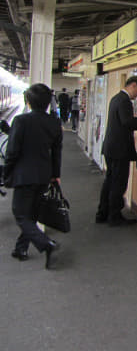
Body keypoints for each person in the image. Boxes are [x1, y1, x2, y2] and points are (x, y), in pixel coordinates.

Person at [3, 83, 63, 268]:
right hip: (44, 174)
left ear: (28, 102)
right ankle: (20, 249)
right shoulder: (54, 122)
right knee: (31, 213)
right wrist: (55, 175)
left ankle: (46, 244)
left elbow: (12, 151)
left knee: (20, 214)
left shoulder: (21, 121)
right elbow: (57, 151)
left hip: (24, 175)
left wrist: (7, 171)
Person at [96, 75, 137, 226]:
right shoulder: (124, 101)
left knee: (110, 181)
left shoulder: (115, 98)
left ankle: (102, 213)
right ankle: (114, 216)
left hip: (110, 147)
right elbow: (127, 121)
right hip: (119, 149)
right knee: (118, 183)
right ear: (133, 85)